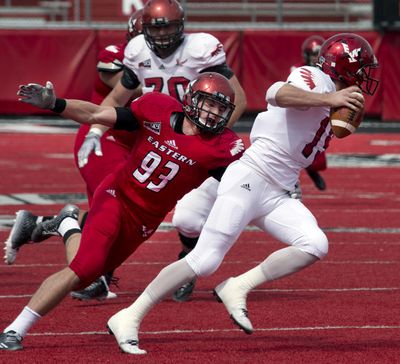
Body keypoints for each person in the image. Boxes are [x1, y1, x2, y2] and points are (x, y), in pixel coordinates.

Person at [101, 33, 379, 355]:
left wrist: (338, 105)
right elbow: (277, 92)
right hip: (250, 176)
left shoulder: (338, 92)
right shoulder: (315, 78)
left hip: (279, 189)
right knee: (204, 260)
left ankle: (238, 286)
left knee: (315, 244)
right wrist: (330, 101)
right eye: (362, 69)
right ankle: (128, 316)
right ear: (346, 67)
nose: (364, 77)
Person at [0, 72, 245, 352]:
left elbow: (245, 186)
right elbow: (97, 114)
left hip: (144, 221)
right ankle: (13, 331)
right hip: (117, 195)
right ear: (191, 100)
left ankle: (68, 224)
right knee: (84, 267)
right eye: (209, 104)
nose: (213, 113)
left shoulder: (223, 148)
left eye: (220, 108)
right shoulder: (157, 109)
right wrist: (55, 103)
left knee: (92, 277)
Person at [75, 0, 247, 302]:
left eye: (168, 26)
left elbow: (239, 100)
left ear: (181, 26)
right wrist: (95, 130)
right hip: (153, 135)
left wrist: (212, 135)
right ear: (145, 29)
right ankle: (94, 267)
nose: (163, 34)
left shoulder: (201, 48)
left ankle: (187, 263)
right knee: (120, 199)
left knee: (189, 220)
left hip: (198, 143)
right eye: (156, 27)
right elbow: (118, 96)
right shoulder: (138, 50)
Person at [3, 10, 144, 301]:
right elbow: (126, 91)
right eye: (152, 34)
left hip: (130, 142)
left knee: (112, 212)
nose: (159, 40)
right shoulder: (118, 56)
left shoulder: (169, 61)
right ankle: (91, 272)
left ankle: (43, 225)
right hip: (103, 137)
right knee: (119, 208)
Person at [291, 35, 327, 192]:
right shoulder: (298, 70)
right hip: (301, 109)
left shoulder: (327, 69)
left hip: (320, 110)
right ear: (306, 55)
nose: (316, 58)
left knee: (317, 157)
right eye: (313, 54)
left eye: (319, 55)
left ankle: (312, 169)